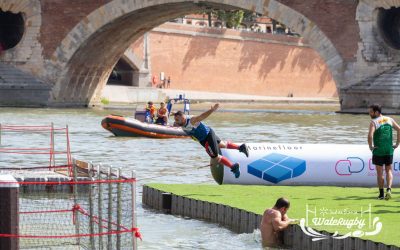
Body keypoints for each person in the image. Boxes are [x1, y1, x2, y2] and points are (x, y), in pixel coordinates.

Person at [173, 103, 248, 178]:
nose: (175, 122)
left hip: (207, 137)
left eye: (177, 120)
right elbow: (182, 123)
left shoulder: (192, 120)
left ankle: (233, 167)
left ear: (183, 118)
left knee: (215, 157)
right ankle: (241, 147)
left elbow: (202, 116)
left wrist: (212, 110)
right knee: (222, 145)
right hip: (204, 137)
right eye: (175, 120)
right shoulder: (180, 123)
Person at [368, 104, 400, 200]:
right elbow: (399, 129)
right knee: (389, 170)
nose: (369, 113)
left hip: (379, 150)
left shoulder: (374, 122)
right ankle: (389, 189)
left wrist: (370, 146)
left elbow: (370, 135)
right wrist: (397, 143)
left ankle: (381, 194)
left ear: (377, 112)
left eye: (371, 112)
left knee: (380, 172)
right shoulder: (389, 119)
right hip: (389, 149)